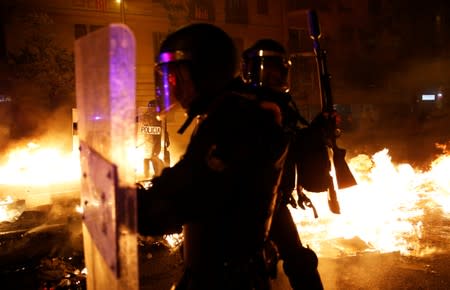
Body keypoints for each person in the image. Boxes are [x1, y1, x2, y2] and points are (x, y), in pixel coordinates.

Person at [137, 23, 290, 290]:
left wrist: (127, 204)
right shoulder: (230, 113)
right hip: (220, 274)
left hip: (227, 280)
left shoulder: (236, 120)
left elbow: (184, 196)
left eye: (176, 77)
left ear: (203, 72)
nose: (172, 88)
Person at [240, 38, 326, 290]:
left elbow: (291, 144)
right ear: (254, 69)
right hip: (244, 205)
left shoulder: (281, 105)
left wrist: (319, 128)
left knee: (299, 260)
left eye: (281, 69)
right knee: (246, 270)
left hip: (273, 201)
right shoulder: (243, 105)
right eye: (271, 69)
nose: (277, 76)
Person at [138, 99, 165, 178]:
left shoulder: (159, 117)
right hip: (147, 141)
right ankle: (147, 175)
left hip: (156, 141)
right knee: (147, 157)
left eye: (154, 108)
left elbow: (163, 128)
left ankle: (157, 175)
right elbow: (140, 124)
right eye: (152, 107)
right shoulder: (145, 116)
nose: (153, 109)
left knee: (154, 157)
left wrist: (166, 139)